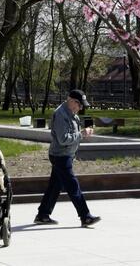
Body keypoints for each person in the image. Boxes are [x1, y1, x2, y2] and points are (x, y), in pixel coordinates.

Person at [34, 89, 101, 227]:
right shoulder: (61, 115)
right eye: (79, 104)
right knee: (73, 186)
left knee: (55, 186)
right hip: (60, 156)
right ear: (71, 100)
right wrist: (82, 134)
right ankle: (85, 216)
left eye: (82, 105)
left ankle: (43, 215)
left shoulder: (71, 113)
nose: (80, 108)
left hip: (65, 155)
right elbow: (63, 139)